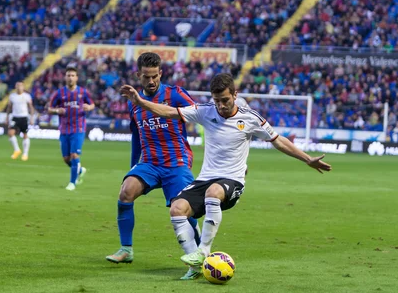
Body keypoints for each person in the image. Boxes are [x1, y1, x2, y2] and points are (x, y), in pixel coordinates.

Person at [120, 73, 332, 277]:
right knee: (177, 208)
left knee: (213, 192)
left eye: (225, 100)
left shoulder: (250, 118)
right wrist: (140, 101)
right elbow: (168, 112)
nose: (221, 105)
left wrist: (307, 159)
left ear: (235, 94)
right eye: (217, 100)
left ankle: (204, 251)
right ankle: (195, 267)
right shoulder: (205, 111)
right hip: (206, 178)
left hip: (232, 181)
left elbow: (278, 140)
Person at [106, 52, 202, 280]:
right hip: (149, 162)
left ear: (161, 73)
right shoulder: (135, 103)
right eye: (146, 77)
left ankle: (199, 256)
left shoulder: (175, 94)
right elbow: (136, 137)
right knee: (126, 191)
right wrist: (133, 167)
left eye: (154, 76)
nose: (151, 81)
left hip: (176, 162)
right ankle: (126, 250)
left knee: (183, 208)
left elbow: (201, 114)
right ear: (138, 75)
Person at [48, 66, 95, 191]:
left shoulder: (83, 92)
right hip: (64, 129)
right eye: (68, 75)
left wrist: (88, 108)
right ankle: (79, 170)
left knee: (74, 155)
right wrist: (57, 110)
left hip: (78, 128)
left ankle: (72, 183)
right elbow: (49, 108)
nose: (70, 77)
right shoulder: (59, 93)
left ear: (77, 78)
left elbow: (92, 104)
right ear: (65, 77)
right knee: (66, 159)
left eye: (73, 75)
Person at [6, 82, 34, 161]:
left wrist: (31, 118)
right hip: (15, 117)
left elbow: (31, 107)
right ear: (15, 87)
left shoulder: (27, 96)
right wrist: (7, 117)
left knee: (25, 135)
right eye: (17, 86)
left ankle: (25, 154)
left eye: (20, 86)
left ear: (23, 87)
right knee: (10, 133)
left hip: (24, 117)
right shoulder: (12, 96)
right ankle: (17, 150)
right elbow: (9, 107)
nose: (19, 87)